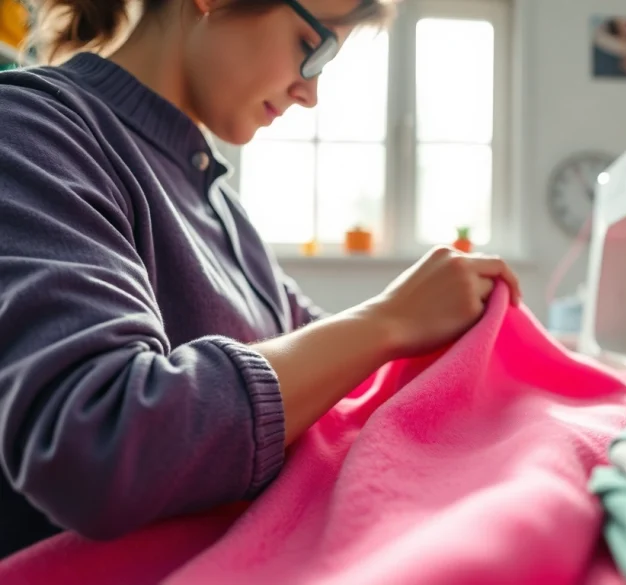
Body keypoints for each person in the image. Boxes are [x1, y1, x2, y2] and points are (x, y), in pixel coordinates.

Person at [0, 0, 522, 559]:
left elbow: (331, 370)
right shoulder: (32, 129)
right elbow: (97, 442)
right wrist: (390, 319)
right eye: (310, 46)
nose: (310, 93)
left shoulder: (224, 210)